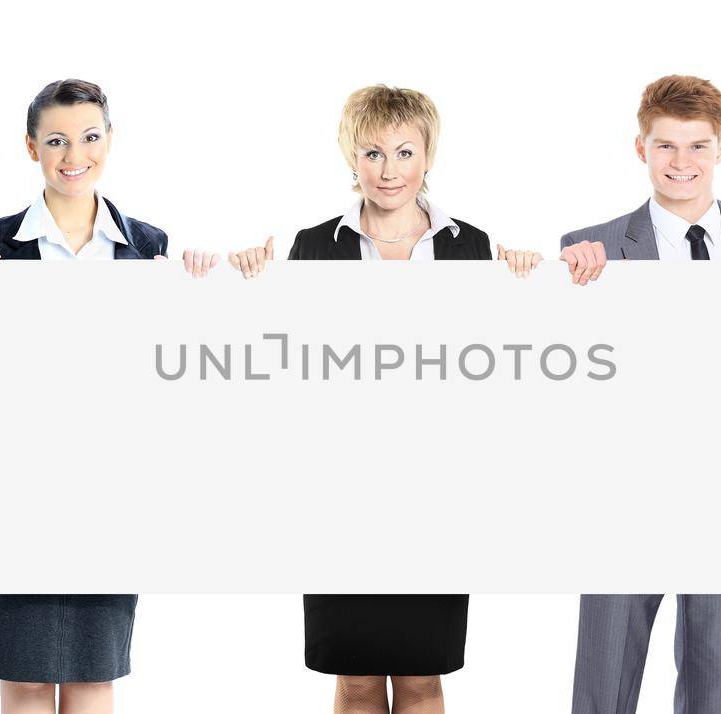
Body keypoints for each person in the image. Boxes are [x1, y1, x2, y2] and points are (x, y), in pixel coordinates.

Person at [224, 84, 539, 714]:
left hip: (437, 498)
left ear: (428, 157)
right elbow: (282, 366)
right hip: (340, 498)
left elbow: (502, 371)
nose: (388, 169)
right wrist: (245, 285)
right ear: (352, 158)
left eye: (403, 151)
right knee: (357, 678)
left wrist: (530, 284)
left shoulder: (472, 249)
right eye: (372, 152)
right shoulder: (312, 247)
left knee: (423, 678)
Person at [0, 78, 215, 713]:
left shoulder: (148, 246)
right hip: (16, 487)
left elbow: (171, 367)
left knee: (92, 675)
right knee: (25, 675)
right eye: (56, 140)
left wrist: (200, 284)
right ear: (31, 147)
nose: (73, 154)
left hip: (110, 490)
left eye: (89, 137)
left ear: (110, 141)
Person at [562, 75, 721, 714]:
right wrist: (570, 289)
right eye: (666, 146)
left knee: (714, 685)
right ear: (640, 148)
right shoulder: (595, 247)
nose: (682, 163)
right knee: (604, 685)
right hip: (624, 493)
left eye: (697, 146)